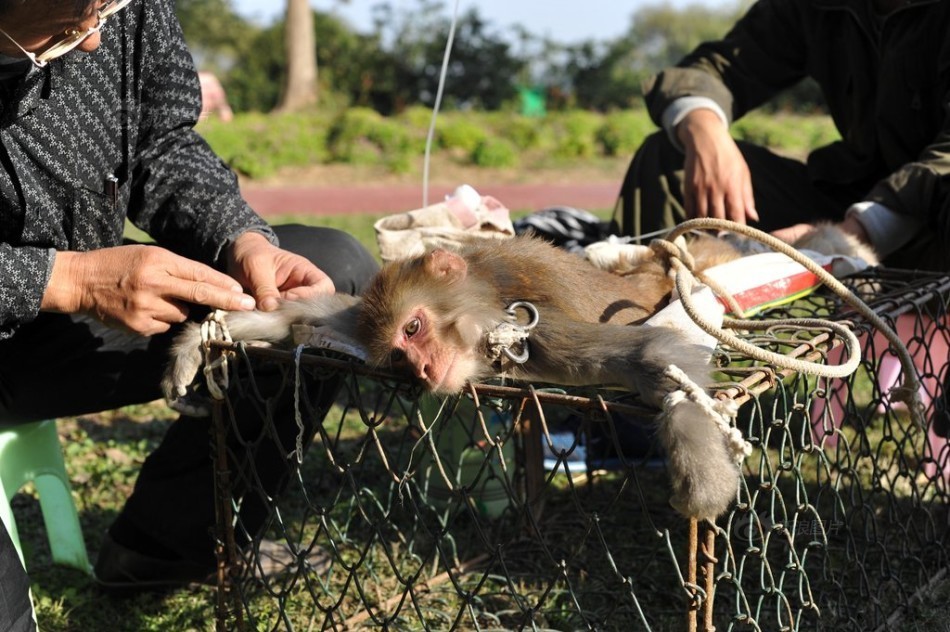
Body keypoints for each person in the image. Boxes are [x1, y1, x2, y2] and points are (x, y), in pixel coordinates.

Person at [0, 0, 379, 627]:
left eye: (105, 10)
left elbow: (162, 144)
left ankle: (165, 548)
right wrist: (61, 279)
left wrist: (241, 238)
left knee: (331, 272)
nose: (92, 42)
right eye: (64, 25)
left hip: (64, 332)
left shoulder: (120, 13)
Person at [617, 0, 950, 271]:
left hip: (932, 220)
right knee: (669, 157)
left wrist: (854, 232)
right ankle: (642, 318)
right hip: (848, 198)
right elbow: (721, 66)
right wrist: (705, 129)